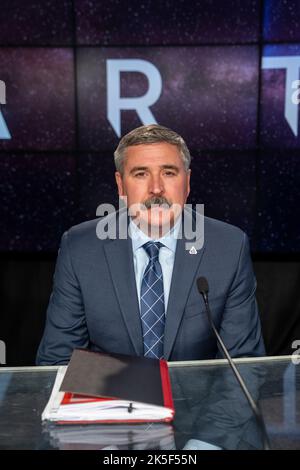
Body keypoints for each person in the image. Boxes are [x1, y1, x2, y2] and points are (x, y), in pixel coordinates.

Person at [36, 124, 265, 365]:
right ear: (121, 185)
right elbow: (59, 362)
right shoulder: (80, 248)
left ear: (186, 182)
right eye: (140, 174)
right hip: (111, 399)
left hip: (199, 402)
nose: (156, 188)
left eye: (168, 172)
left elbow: (243, 365)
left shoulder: (229, 247)